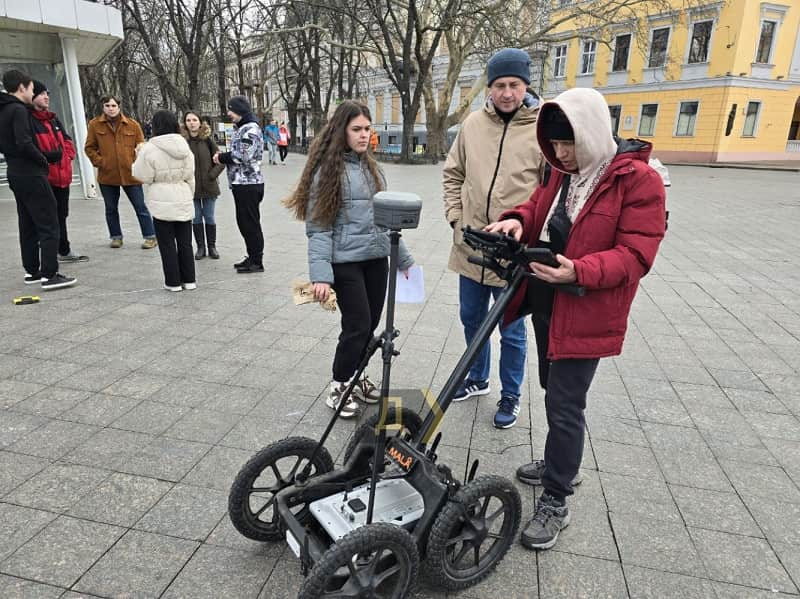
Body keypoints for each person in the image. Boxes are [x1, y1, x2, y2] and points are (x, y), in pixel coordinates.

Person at [486, 87, 666, 551]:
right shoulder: (562, 172)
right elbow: (538, 208)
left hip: (586, 307)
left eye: (568, 143)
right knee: (552, 390)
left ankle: (556, 497)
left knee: (566, 404)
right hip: (548, 299)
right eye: (554, 146)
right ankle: (558, 464)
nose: (562, 154)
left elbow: (635, 256)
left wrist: (578, 270)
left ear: (590, 133)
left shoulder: (636, 181)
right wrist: (516, 222)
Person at [284, 100, 414, 418]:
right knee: (356, 326)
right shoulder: (326, 173)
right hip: (345, 261)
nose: (363, 135)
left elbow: (386, 219)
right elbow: (318, 228)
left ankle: (358, 376)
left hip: (376, 258)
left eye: (367, 129)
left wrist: (404, 258)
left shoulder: (372, 168)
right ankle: (339, 384)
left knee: (369, 325)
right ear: (341, 131)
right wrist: (321, 276)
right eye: (356, 129)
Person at [442, 47, 543, 429]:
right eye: (499, 85)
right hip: (469, 243)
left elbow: (548, 191)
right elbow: (453, 174)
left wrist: (530, 234)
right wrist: (455, 217)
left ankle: (511, 395)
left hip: (512, 252)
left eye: (514, 85)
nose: (506, 93)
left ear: (525, 86)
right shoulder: (472, 125)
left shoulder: (540, 128)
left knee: (512, 330)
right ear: (489, 86)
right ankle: (478, 378)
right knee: (471, 317)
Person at [0, 70, 76, 290]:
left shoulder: (3, 110)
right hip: (31, 174)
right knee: (49, 222)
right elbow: (24, 142)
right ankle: (49, 274)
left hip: (15, 172)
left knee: (28, 223)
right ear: (22, 88)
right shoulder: (18, 110)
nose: (34, 93)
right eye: (33, 89)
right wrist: (43, 160)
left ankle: (32, 271)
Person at [132, 109, 196, 292]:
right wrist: (188, 194)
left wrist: (137, 158)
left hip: (160, 197)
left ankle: (173, 282)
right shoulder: (184, 146)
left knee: (167, 243)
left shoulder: (149, 148)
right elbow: (191, 175)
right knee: (185, 242)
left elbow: (143, 175)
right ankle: (189, 280)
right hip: (182, 193)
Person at [85, 95, 157, 249]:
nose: (110, 109)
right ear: (103, 107)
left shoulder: (132, 125)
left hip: (130, 174)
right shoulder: (95, 125)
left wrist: (137, 163)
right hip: (107, 175)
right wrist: (100, 162)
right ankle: (116, 237)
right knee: (111, 209)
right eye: (107, 105)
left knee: (140, 207)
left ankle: (150, 236)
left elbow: (141, 147)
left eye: (113, 105)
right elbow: (89, 148)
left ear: (119, 107)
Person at [29, 80, 88, 263]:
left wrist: (68, 156)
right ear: (31, 96)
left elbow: (67, 140)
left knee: (61, 215)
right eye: (41, 94)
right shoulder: (28, 120)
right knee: (49, 218)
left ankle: (63, 249)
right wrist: (48, 159)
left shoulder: (53, 119)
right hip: (46, 178)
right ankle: (49, 254)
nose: (46, 97)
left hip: (63, 177)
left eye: (47, 93)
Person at [213, 95, 266, 274]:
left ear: (240, 110)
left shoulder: (250, 129)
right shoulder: (243, 127)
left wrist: (221, 157)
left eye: (231, 110)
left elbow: (243, 155)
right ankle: (252, 256)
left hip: (248, 184)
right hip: (242, 183)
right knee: (244, 222)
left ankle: (257, 260)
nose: (229, 113)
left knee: (250, 223)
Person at [183, 110, 224, 260]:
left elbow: (220, 159)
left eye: (194, 120)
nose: (192, 123)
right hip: (191, 187)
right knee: (196, 218)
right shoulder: (182, 141)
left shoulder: (207, 140)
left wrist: (212, 175)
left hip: (209, 185)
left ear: (200, 122)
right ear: (185, 123)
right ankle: (200, 247)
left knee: (209, 216)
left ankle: (212, 246)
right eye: (188, 120)